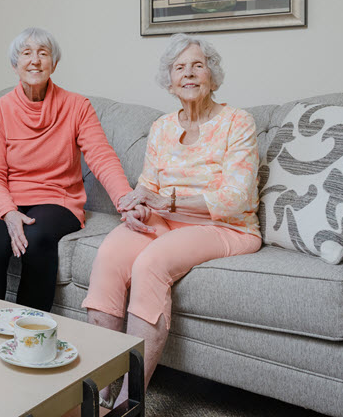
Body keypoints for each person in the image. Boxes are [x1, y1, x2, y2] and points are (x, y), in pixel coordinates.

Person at [81, 32, 262, 408]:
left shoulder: (237, 122)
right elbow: (149, 182)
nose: (189, 74)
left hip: (225, 227)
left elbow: (236, 198)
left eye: (198, 65)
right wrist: (135, 203)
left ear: (212, 74)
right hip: (166, 219)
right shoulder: (163, 127)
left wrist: (170, 199)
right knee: (110, 256)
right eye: (180, 67)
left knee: (151, 263)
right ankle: (98, 394)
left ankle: (129, 403)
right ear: (169, 80)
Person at [0, 27, 133, 311]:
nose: (35, 60)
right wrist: (9, 212)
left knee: (37, 239)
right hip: (5, 197)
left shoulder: (77, 106)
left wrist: (124, 199)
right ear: (15, 64)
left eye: (43, 53)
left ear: (54, 64)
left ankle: (30, 331)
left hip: (56, 198)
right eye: (26, 53)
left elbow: (101, 157)